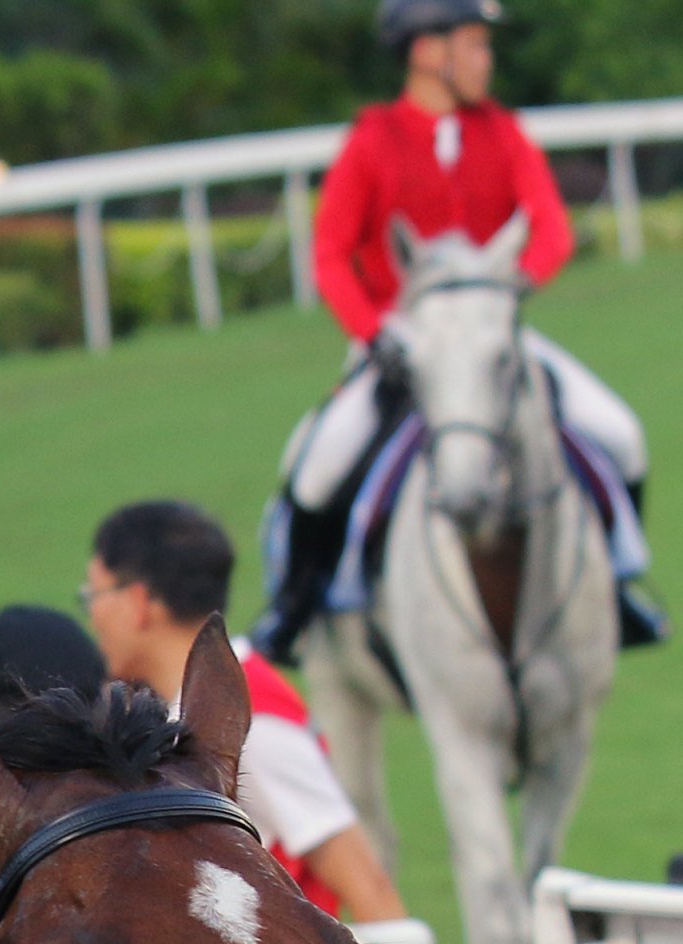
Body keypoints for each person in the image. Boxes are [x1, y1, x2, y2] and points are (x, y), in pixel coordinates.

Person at [269, 0, 659, 652]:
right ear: (427, 52)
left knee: (622, 434)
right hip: (399, 336)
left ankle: (617, 590)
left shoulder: (500, 130)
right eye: (475, 44)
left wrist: (511, 288)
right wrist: (372, 334)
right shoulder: (371, 141)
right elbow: (330, 256)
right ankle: (296, 605)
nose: (487, 59)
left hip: (490, 331)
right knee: (316, 465)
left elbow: (551, 229)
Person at [83, 499, 477, 944]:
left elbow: (367, 884)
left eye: (95, 593)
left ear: (139, 601)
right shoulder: (183, 708)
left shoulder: (253, 724)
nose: (92, 614)